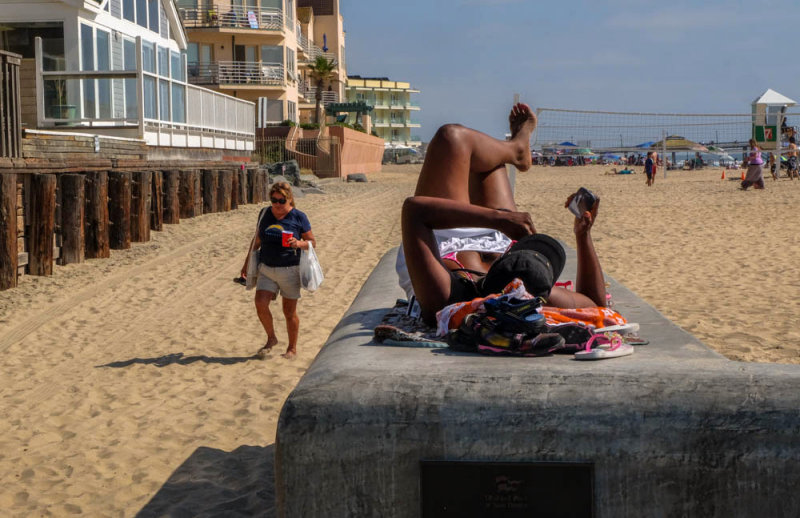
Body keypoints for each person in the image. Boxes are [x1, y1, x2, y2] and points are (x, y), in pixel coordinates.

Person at [400, 103, 607, 326]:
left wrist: (498, 219)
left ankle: (516, 149)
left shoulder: (447, 297)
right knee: (489, 162)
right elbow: (596, 305)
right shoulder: (539, 293)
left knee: (451, 138)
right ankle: (516, 148)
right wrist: (583, 236)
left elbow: (413, 211)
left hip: (439, 234)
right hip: (497, 234)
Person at [241, 182, 316, 359]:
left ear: (289, 199)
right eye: (273, 200)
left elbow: (312, 242)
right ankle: (271, 338)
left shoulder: (299, 217)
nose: (276, 204)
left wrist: (298, 243)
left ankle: (292, 348)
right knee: (260, 303)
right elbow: (256, 241)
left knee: (289, 312)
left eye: (281, 200)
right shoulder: (265, 213)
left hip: (290, 270)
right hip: (266, 269)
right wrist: (246, 263)